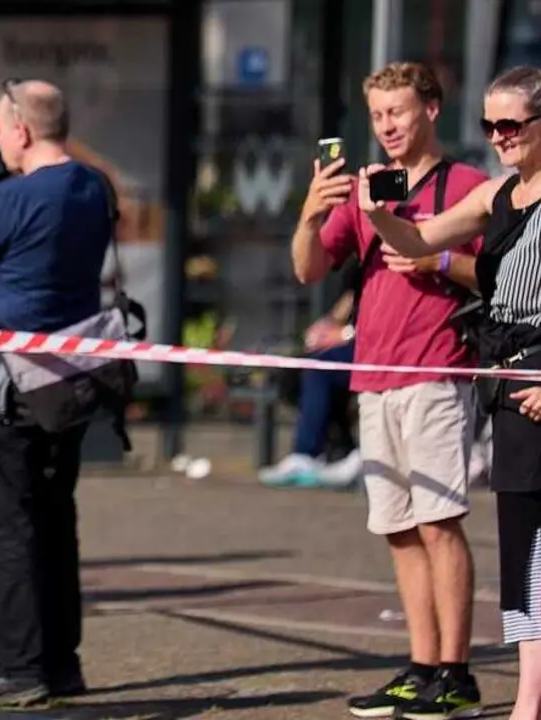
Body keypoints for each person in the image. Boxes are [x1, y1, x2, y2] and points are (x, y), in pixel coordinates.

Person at [289, 61, 487, 719]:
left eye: (398, 111)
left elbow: (496, 275)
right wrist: (311, 213)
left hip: (436, 373)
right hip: (373, 378)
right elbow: (309, 267)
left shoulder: (468, 186)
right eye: (377, 116)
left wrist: (436, 260)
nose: (387, 126)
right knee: (399, 529)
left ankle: (456, 670)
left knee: (438, 523)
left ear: (430, 109)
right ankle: (421, 663)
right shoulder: (366, 187)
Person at [0, 79, 112, 705]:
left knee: (7, 527)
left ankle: (17, 665)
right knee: (58, 520)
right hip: (74, 381)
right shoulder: (94, 186)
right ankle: (62, 662)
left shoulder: (11, 199)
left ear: (22, 131)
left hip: (13, 386)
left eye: (1, 127)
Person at [367, 65, 541, 720]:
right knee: (525, 554)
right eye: (489, 124)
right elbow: (415, 241)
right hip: (509, 389)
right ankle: (529, 698)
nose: (498, 137)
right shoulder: (497, 196)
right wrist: (379, 214)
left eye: (511, 124)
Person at [259, 281, 361, 489]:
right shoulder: (358, 267)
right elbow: (350, 297)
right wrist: (326, 327)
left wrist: (344, 334)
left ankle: (309, 454)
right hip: (357, 343)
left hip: (380, 348)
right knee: (297, 373)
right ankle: (338, 451)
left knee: (320, 369)